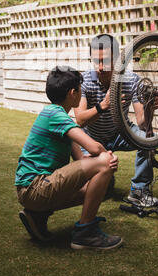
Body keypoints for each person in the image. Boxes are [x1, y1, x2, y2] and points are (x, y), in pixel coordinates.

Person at [15, 66, 123, 250]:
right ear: (73, 93)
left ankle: (37, 215)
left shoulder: (55, 116)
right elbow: (92, 146)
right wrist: (105, 155)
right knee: (105, 163)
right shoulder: (56, 115)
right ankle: (85, 234)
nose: (81, 95)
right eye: (80, 91)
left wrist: (95, 159)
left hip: (33, 190)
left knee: (102, 182)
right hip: (36, 187)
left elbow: (81, 157)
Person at [74, 34, 158, 208]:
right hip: (91, 138)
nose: (100, 67)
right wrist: (103, 106)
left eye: (105, 60)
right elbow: (80, 120)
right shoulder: (84, 81)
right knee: (97, 190)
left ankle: (139, 190)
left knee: (147, 138)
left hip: (120, 133)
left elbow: (143, 123)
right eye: (95, 60)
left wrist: (150, 107)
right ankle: (105, 178)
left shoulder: (131, 80)